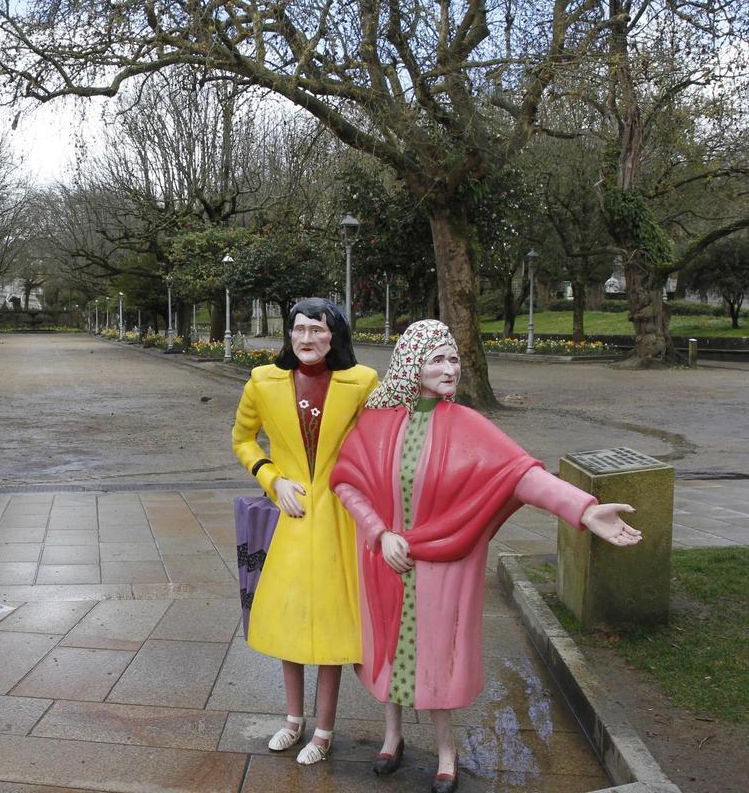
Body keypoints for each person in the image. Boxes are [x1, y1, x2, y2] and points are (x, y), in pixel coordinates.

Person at [330, 319, 642, 793]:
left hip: (440, 565)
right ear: (413, 364)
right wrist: (378, 534)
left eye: (454, 359)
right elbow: (348, 483)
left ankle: (446, 752)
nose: (450, 368)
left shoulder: (468, 425)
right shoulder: (376, 422)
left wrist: (586, 510)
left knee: (435, 656)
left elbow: (523, 476)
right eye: (438, 359)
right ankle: (390, 737)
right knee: (388, 649)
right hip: (383, 560)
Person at [231, 297, 378, 764]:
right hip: (291, 520)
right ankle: (294, 720)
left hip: (339, 518)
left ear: (334, 336)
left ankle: (325, 729)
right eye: (300, 329)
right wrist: (272, 479)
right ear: (289, 335)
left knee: (333, 622)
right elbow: (242, 438)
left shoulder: (361, 383)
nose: (308, 338)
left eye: (318, 329)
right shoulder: (263, 382)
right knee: (291, 617)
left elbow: (378, 443)